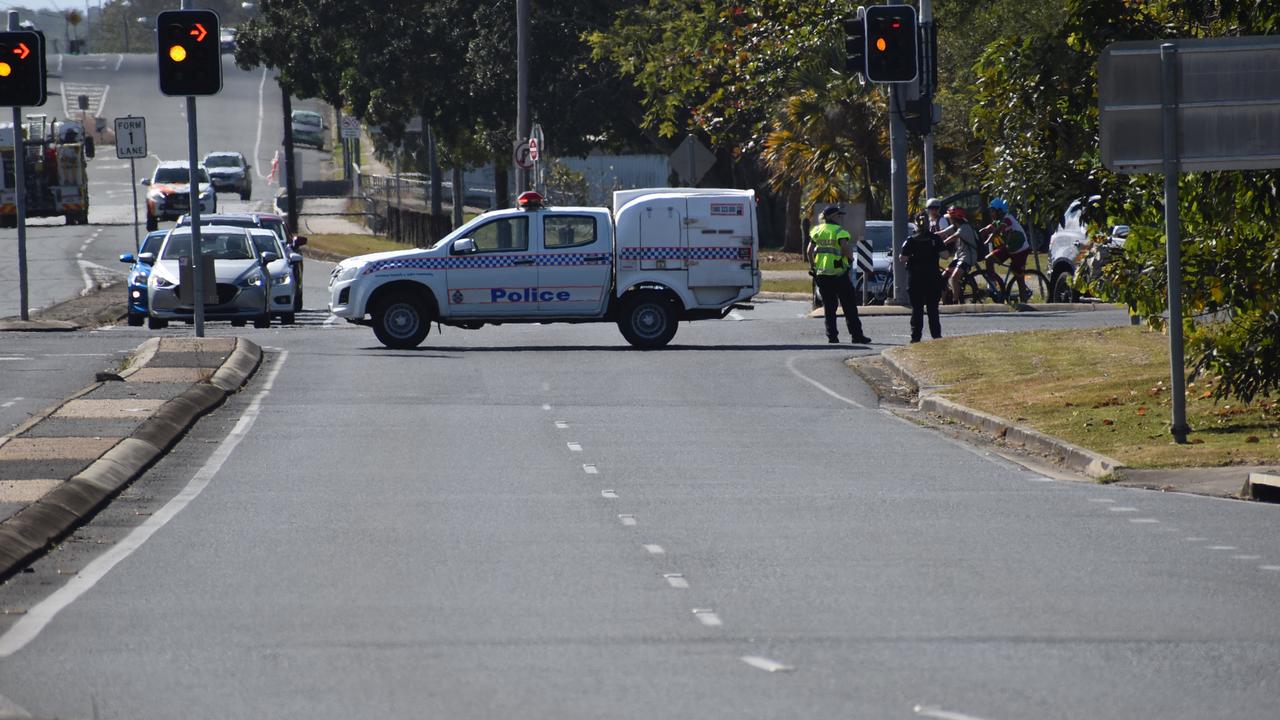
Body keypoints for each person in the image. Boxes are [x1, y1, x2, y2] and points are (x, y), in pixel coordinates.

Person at [806, 205, 872, 344]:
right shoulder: (839, 231)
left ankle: (832, 336)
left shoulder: (817, 230)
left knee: (829, 308)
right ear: (833, 217)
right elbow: (845, 248)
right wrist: (849, 261)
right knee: (849, 306)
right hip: (839, 274)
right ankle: (856, 335)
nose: (840, 218)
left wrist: (813, 267)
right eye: (838, 215)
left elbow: (809, 251)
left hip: (822, 274)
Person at [899, 213, 945, 342]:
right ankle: (936, 336)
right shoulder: (935, 239)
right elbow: (946, 255)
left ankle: (916, 337)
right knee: (933, 310)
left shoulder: (911, 240)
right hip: (933, 278)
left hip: (916, 279)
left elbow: (902, 258)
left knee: (917, 309)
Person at [979, 197, 1033, 301]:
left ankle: (1023, 301)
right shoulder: (998, 220)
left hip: (1020, 250)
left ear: (1000, 211)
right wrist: (978, 234)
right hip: (1009, 248)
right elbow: (989, 228)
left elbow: (998, 230)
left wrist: (988, 240)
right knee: (989, 259)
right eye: (991, 211)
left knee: (1019, 277)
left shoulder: (1007, 219)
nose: (991, 214)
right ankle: (992, 285)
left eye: (993, 211)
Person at [938, 206, 980, 303]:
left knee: (954, 277)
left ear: (955, 218)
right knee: (943, 277)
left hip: (967, 257)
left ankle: (955, 301)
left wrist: (940, 244)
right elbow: (942, 232)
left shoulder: (965, 228)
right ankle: (944, 301)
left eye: (951, 218)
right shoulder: (956, 226)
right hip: (959, 256)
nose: (950, 219)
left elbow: (953, 237)